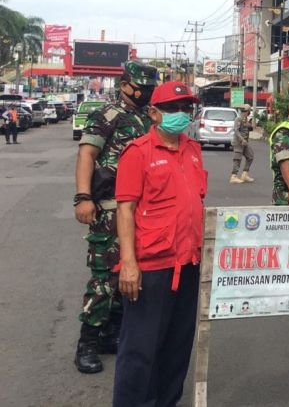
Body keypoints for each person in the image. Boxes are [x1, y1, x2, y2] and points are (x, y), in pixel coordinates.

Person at [113, 81, 207, 407]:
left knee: (177, 347)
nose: (182, 114)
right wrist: (128, 263)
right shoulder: (138, 153)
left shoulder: (193, 150)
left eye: (187, 108)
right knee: (140, 350)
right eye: (173, 108)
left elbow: (196, 203)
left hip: (188, 263)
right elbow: (125, 209)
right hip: (151, 268)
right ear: (154, 113)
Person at [72, 60, 159, 374]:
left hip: (141, 211)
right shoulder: (108, 115)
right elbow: (87, 153)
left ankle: (111, 334)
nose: (146, 92)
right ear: (125, 85)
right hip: (109, 208)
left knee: (133, 273)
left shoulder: (149, 118)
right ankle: (87, 342)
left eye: (150, 88)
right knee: (106, 279)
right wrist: (83, 197)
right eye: (142, 87)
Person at [230, 104, 255, 184]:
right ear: (246, 111)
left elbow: (248, 129)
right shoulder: (238, 119)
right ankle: (233, 176)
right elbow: (236, 131)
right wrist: (242, 139)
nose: (249, 113)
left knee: (250, 156)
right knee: (237, 159)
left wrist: (250, 126)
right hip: (239, 142)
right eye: (249, 111)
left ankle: (245, 174)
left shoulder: (245, 120)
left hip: (245, 143)